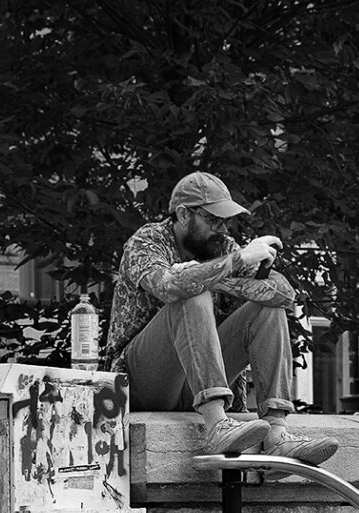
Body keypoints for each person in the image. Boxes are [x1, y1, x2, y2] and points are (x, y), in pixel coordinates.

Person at [104, 171, 338, 465]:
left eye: (225, 220)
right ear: (183, 214)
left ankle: (277, 434)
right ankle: (217, 424)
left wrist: (220, 276)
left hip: (194, 381)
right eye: (212, 219)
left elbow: (284, 295)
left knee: (267, 310)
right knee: (192, 293)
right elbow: (168, 287)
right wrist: (233, 264)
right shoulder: (147, 241)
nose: (222, 228)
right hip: (142, 383)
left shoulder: (223, 247)